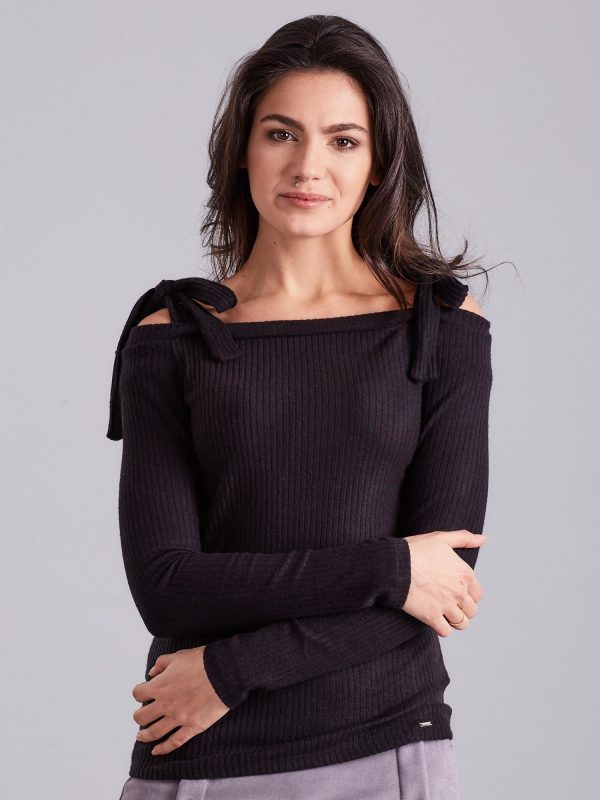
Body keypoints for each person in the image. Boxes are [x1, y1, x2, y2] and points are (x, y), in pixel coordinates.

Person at [108, 14, 494, 800]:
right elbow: (166, 583)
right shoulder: (172, 336)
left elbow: (444, 582)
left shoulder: (442, 328)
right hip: (198, 753)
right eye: (281, 134)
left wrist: (233, 669)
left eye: (343, 140)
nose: (308, 166)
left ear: (379, 161)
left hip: (387, 747)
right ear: (242, 150)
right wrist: (390, 567)